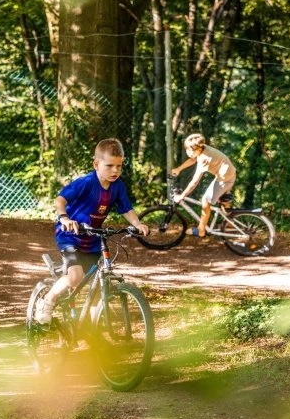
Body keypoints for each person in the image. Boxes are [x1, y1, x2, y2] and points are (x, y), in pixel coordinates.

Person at [34, 138, 149, 323]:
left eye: (119, 166)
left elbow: (126, 209)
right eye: (109, 166)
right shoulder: (86, 182)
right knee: (75, 277)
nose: (115, 171)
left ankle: (92, 330)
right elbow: (60, 200)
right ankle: (48, 301)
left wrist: (137, 224)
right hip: (70, 236)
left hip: (93, 238)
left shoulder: (118, 186)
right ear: (96, 164)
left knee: (98, 284)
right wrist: (64, 218)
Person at [170, 133, 237, 237]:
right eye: (186, 149)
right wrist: (179, 169)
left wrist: (182, 196)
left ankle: (201, 230)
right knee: (222, 202)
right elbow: (193, 159)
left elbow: (195, 181)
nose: (187, 152)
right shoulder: (202, 148)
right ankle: (230, 223)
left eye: (190, 150)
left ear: (198, 149)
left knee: (205, 200)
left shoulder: (204, 158)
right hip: (227, 175)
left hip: (225, 179)